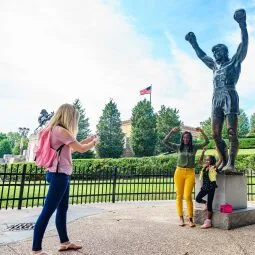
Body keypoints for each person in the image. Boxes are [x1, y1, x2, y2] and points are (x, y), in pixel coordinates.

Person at [185, 9, 248, 172]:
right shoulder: (214, 66)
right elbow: (202, 55)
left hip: (229, 94)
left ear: (225, 52)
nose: (215, 54)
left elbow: (244, 44)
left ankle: (231, 164)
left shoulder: (234, 62)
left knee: (232, 132)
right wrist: (194, 43)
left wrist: (242, 24)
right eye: (214, 52)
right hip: (216, 97)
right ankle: (224, 160)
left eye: (217, 51)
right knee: (215, 134)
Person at [31, 104, 98, 255]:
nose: (75, 121)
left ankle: (65, 242)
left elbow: (71, 148)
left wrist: (85, 140)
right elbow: (81, 149)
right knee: (47, 211)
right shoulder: (61, 130)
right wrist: (93, 143)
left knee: (62, 209)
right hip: (59, 175)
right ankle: (36, 250)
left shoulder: (54, 129)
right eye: (74, 118)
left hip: (56, 173)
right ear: (69, 116)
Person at [163, 127, 209, 227]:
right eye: (184, 137)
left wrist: (202, 131)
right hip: (179, 171)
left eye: (187, 137)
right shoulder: (178, 147)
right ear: (182, 138)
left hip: (190, 172)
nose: (186, 139)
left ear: (190, 138)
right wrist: (171, 131)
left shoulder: (194, 147)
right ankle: (181, 218)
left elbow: (207, 141)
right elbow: (165, 141)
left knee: (187, 196)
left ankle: (191, 219)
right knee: (179, 195)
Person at [196, 148, 222, 229]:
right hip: (204, 187)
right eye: (206, 160)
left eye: (208, 160)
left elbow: (221, 159)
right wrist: (203, 152)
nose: (206, 161)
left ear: (212, 161)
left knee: (210, 205)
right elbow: (200, 161)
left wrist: (217, 150)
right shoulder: (204, 167)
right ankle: (205, 203)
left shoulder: (213, 168)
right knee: (197, 198)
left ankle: (208, 222)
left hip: (211, 187)